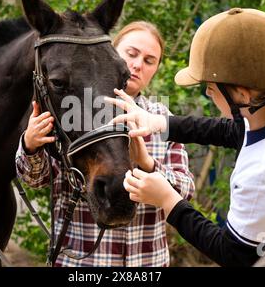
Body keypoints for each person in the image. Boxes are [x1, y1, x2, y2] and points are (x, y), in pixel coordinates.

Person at [107, 8, 265, 266]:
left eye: (210, 87)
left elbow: (231, 253)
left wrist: (167, 199)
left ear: (241, 95)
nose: (207, 94)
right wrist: (158, 122)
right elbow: (227, 131)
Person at [15, 21, 194, 266]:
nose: (137, 65)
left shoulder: (162, 119)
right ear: (111, 53)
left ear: (156, 69)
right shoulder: (72, 111)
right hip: (82, 265)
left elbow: (186, 190)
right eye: (131, 54)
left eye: (149, 60)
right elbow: (35, 180)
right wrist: (31, 144)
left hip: (145, 263)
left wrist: (147, 163)